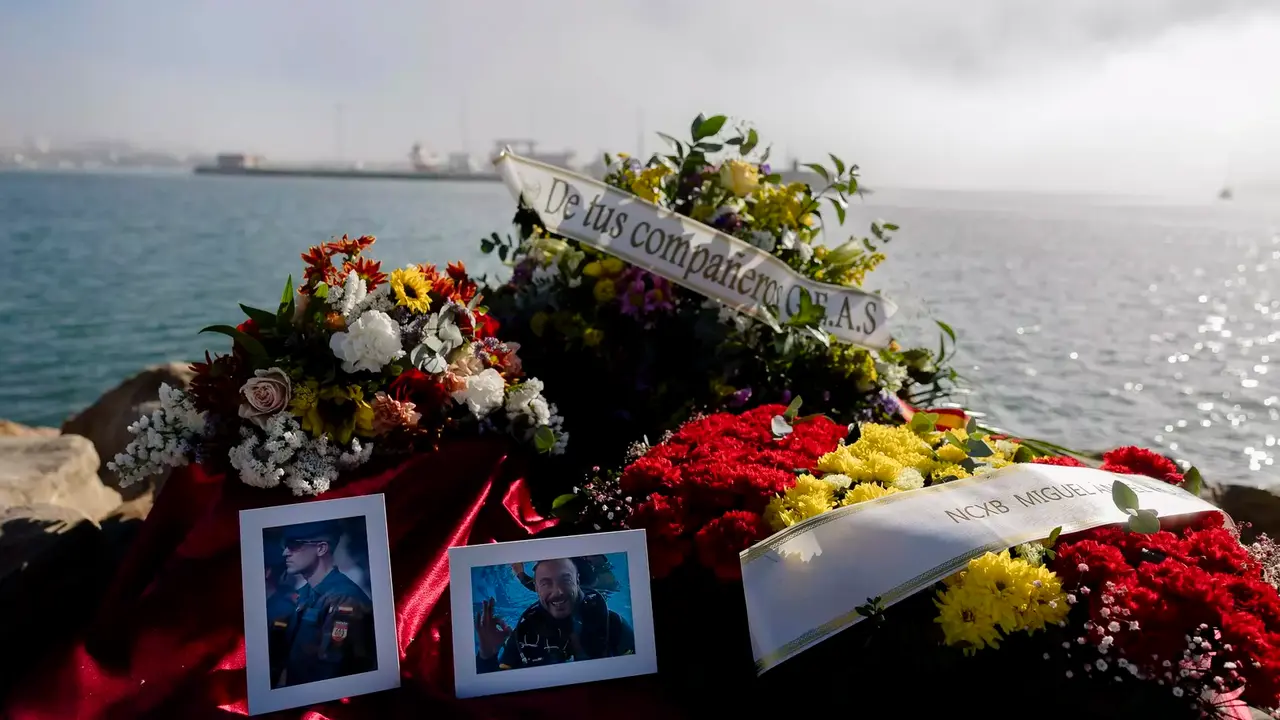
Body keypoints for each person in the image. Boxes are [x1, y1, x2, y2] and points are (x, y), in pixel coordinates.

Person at [476, 557, 634, 673]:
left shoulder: (611, 623)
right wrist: (487, 656)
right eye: (545, 583)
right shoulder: (524, 635)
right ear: (537, 588)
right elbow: (494, 693)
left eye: (566, 580)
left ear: (577, 581)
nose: (558, 591)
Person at [270, 520, 376, 688]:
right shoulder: (305, 594)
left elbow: (332, 668)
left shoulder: (344, 598)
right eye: (286, 545)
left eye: (294, 545)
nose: (285, 553)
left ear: (321, 549)